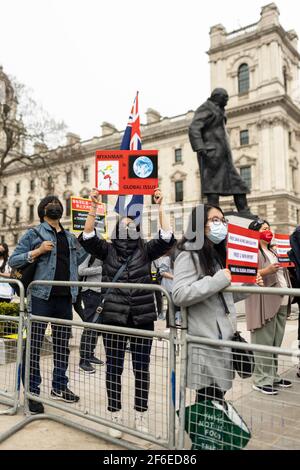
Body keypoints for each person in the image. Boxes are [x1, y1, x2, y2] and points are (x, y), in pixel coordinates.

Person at [79, 188, 175, 438]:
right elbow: (87, 236)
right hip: (114, 317)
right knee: (114, 367)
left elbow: (166, 237)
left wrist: (160, 206)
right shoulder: (107, 250)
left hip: (142, 318)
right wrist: (93, 207)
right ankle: (115, 414)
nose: (128, 227)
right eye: (123, 224)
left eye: (132, 224)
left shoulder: (146, 249)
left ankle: (140, 414)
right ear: (115, 230)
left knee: (141, 369)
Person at [172, 205, 263, 403]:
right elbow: (178, 294)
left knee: (216, 398)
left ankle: (206, 432)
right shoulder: (189, 255)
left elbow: (222, 297)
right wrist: (218, 280)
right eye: (215, 220)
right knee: (209, 400)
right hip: (205, 343)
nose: (221, 225)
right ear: (199, 224)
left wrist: (249, 285)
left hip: (223, 340)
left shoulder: (216, 256)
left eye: (223, 220)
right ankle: (202, 433)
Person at [9, 196, 87, 414]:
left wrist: (91, 224)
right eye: (50, 204)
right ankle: (32, 392)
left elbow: (80, 259)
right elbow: (14, 261)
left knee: (62, 347)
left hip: (64, 299)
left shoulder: (70, 237)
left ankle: (60, 386)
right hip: (41, 297)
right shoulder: (34, 234)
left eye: (58, 204)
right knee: (34, 346)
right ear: (43, 210)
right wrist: (37, 251)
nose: (55, 206)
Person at [245, 219, 292, 395]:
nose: (268, 231)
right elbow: (245, 273)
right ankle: (261, 379)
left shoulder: (273, 250)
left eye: (269, 228)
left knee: (275, 342)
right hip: (264, 302)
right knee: (263, 341)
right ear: (254, 233)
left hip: (281, 301)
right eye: (264, 229)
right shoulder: (251, 252)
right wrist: (267, 271)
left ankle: (273, 376)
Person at [188, 88, 252, 215]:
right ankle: (213, 213)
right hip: (211, 154)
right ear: (217, 97)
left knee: (238, 184)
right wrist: (200, 147)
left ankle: (244, 211)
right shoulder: (206, 107)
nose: (227, 100)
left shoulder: (219, 109)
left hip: (223, 156)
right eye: (225, 97)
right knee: (213, 186)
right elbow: (194, 128)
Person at [78, 254, 105, 373]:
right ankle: (83, 360)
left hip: (100, 293)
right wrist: (101, 269)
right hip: (90, 292)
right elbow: (81, 270)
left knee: (96, 326)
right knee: (90, 325)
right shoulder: (91, 253)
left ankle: (90, 354)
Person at [156, 247, 181, 328]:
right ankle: (169, 326)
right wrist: (174, 277)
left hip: (174, 285)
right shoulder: (166, 258)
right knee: (171, 306)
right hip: (169, 285)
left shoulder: (175, 258)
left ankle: (174, 323)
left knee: (174, 305)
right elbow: (162, 272)